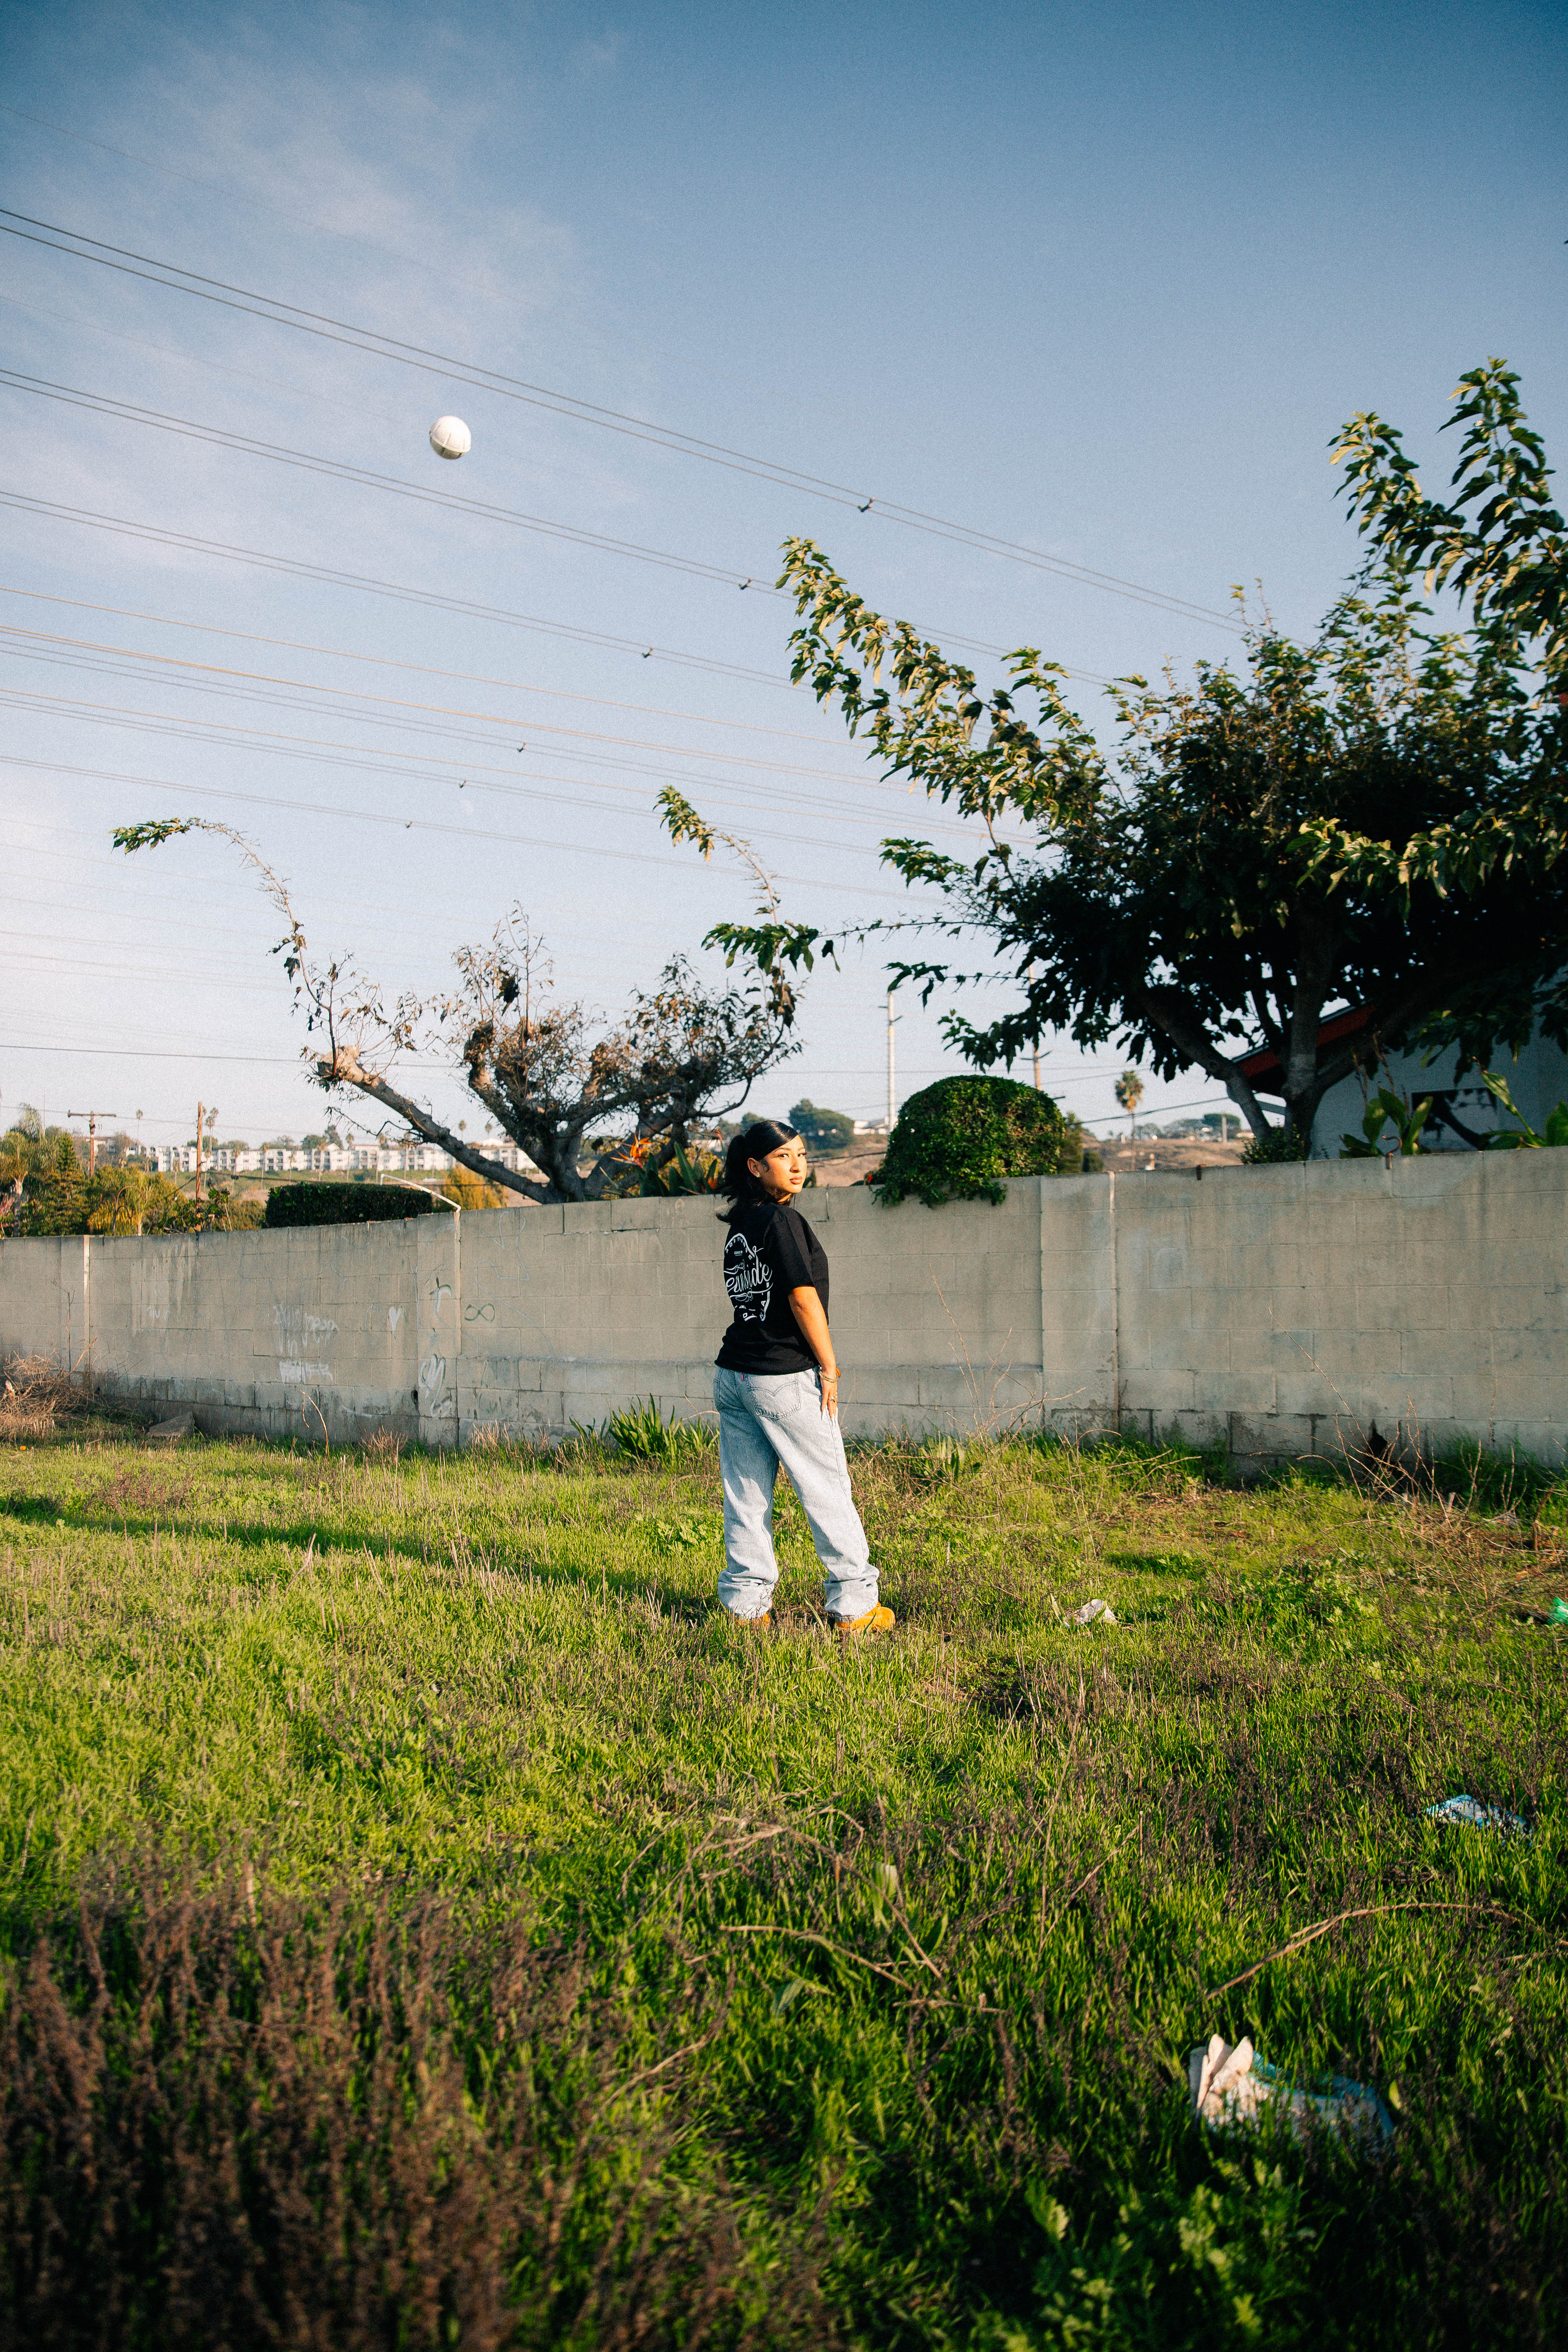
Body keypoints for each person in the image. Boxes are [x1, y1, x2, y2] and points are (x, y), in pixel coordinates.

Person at [712, 1119, 894, 1635]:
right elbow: (802, 1297)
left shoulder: (742, 1223)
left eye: (801, 1155)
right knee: (827, 1488)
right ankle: (855, 1607)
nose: (796, 1165)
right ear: (755, 1166)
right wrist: (830, 1370)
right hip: (784, 1377)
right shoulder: (780, 1222)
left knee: (747, 1495)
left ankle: (746, 1609)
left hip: (736, 1376)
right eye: (783, 1156)